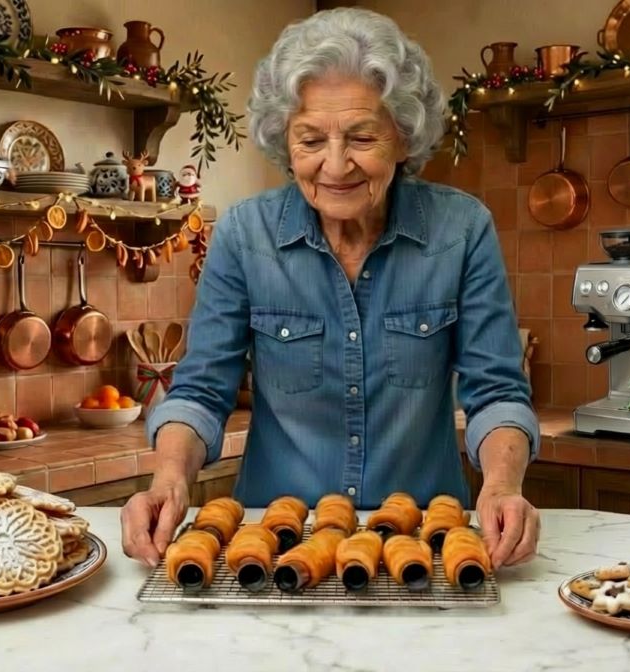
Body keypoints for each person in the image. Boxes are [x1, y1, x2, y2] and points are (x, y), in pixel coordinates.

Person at [121, 8, 541, 572]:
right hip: (272, 543)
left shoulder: (461, 231)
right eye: (310, 138)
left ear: (403, 137)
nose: (335, 164)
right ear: (284, 141)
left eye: (363, 136)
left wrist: (502, 485)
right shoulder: (247, 235)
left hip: (425, 543)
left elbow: (496, 391)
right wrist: (169, 478)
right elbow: (200, 391)